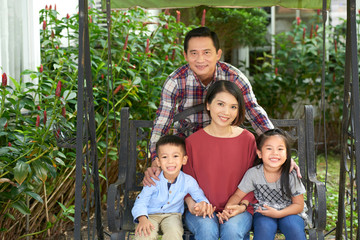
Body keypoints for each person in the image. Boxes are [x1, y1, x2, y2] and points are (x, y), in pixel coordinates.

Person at [146, 26, 274, 178]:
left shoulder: (234, 78)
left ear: (218, 54)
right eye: (194, 53)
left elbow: (254, 113)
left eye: (206, 52)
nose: (200, 60)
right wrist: (155, 158)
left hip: (225, 149)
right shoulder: (175, 81)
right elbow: (162, 122)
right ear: (185, 55)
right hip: (187, 154)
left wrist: (275, 146)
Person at [183, 80, 257, 240]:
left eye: (233, 107)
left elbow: (253, 180)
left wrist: (242, 206)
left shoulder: (247, 140)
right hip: (201, 208)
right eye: (221, 104)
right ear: (208, 104)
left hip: (238, 208)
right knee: (207, 230)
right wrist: (192, 205)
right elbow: (186, 182)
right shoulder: (192, 142)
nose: (226, 112)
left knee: (231, 230)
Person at [218, 128, 307, 240]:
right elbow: (237, 195)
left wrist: (279, 214)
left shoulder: (291, 175)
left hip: (290, 212)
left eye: (280, 149)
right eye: (269, 148)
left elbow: (299, 205)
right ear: (259, 153)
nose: (275, 153)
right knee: (264, 229)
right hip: (263, 211)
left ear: (286, 154)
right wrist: (228, 209)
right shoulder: (254, 173)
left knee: (294, 228)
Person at [131, 135, 213, 240]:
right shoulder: (153, 179)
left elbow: (199, 196)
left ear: (184, 160)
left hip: (172, 215)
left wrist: (202, 204)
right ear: (158, 162)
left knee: (174, 233)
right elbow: (141, 201)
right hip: (150, 214)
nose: (170, 161)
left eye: (175, 156)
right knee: (145, 234)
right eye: (165, 157)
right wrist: (142, 218)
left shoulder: (188, 181)